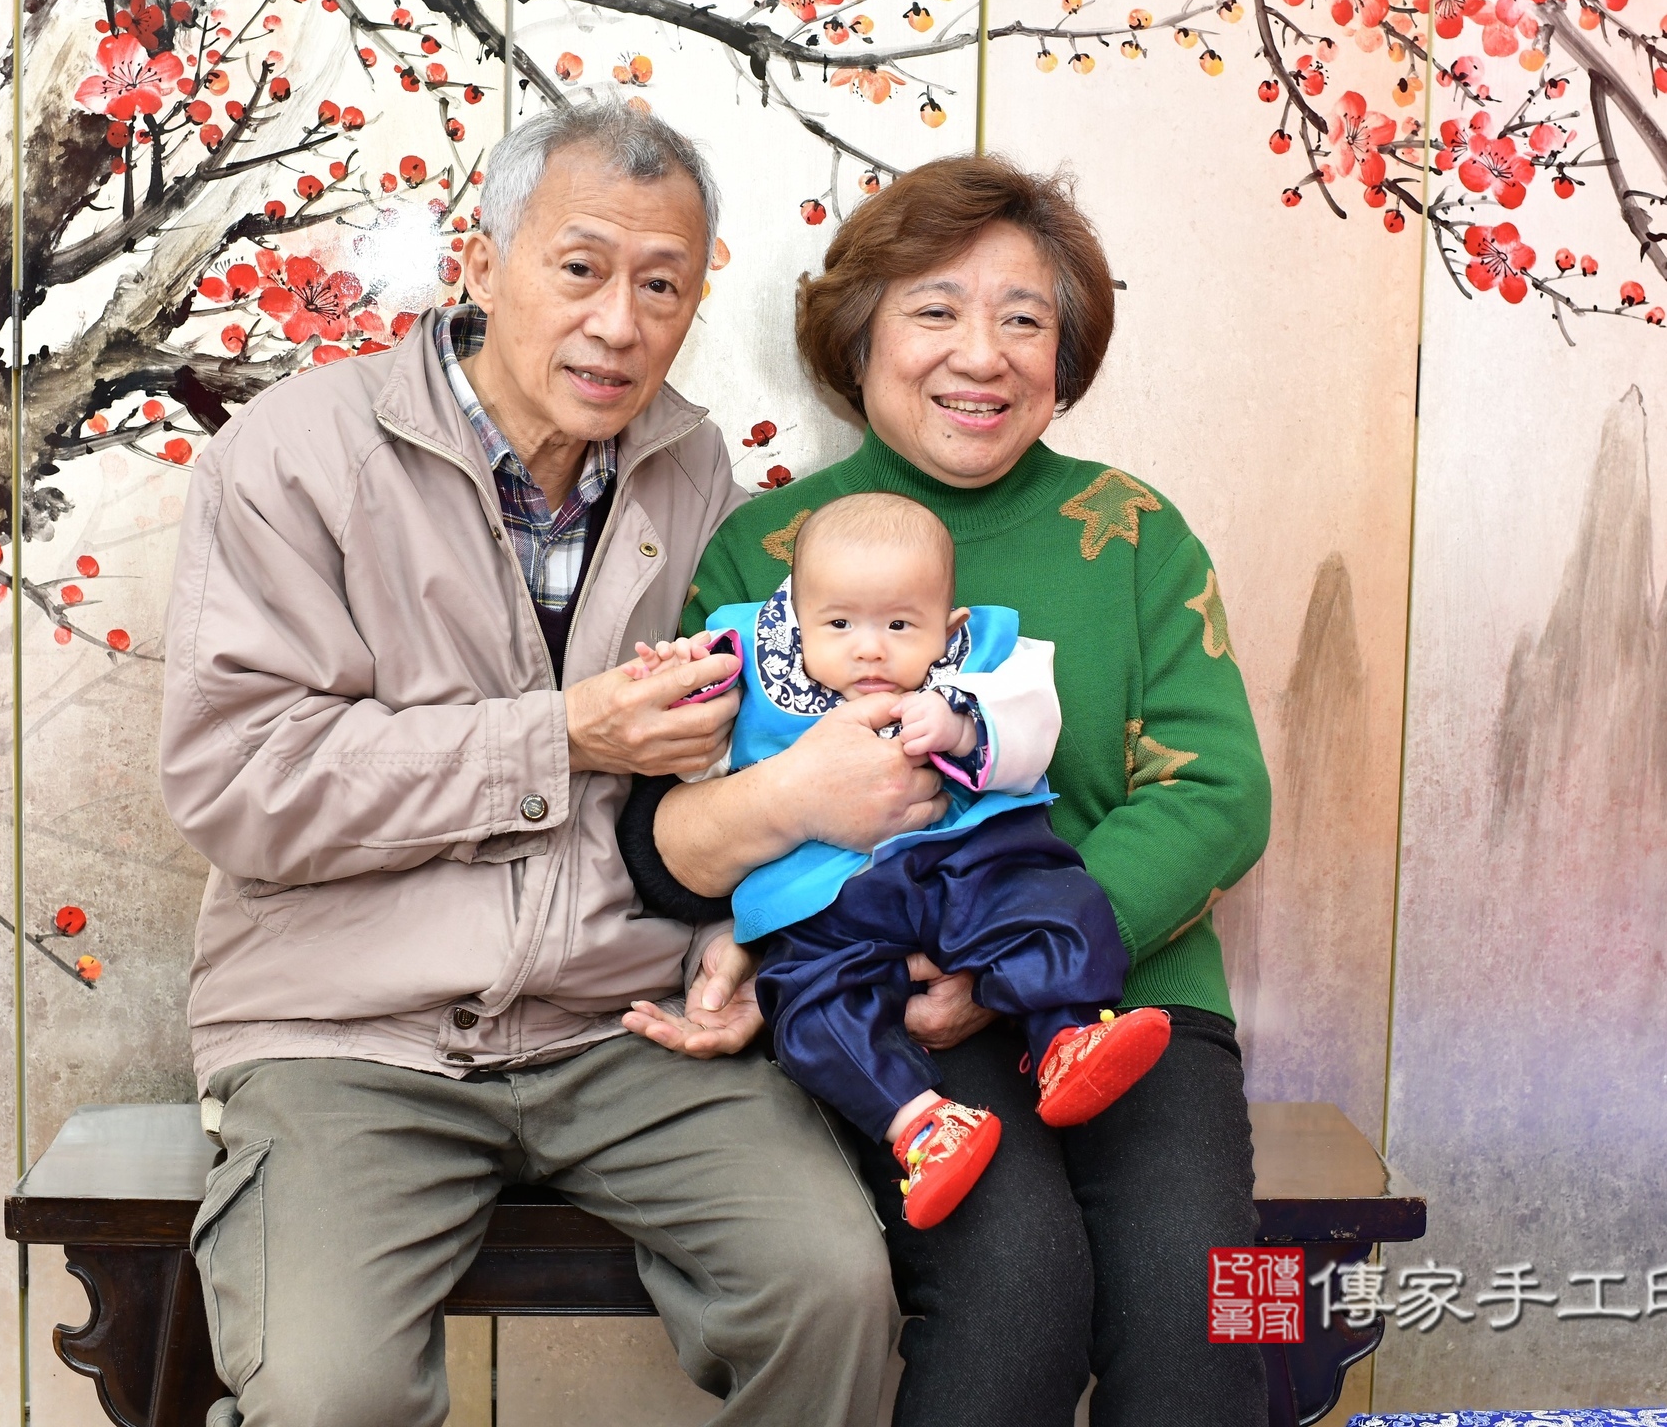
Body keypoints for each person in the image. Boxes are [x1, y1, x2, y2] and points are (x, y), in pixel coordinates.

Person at [158, 99, 895, 1427]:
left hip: (624, 1027)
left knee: (833, 1289)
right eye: (581, 268)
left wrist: (739, 943)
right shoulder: (293, 455)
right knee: (330, 1395)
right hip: (347, 1030)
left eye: (661, 285)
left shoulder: (696, 483)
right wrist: (560, 734)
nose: (619, 322)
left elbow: (744, 769)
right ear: (482, 260)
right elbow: (241, 783)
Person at [618, 155, 1274, 1426]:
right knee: (1016, 1284)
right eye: (935, 310)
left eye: (1024, 319)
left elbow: (1218, 793)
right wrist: (749, 935)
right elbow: (684, 807)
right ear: (860, 335)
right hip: (897, 1009)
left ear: (1063, 356)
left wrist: (1022, 952)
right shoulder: (767, 551)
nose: (983, 354)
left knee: (1214, 1304)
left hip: (1134, 994)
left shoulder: (1134, 530)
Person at [628, 490, 1172, 1231]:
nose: (870, 649)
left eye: (899, 625)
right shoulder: (752, 657)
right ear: (793, 619)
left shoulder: (980, 656)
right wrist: (684, 682)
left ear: (947, 625)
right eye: (839, 624)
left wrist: (960, 725)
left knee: (1054, 899)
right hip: (824, 901)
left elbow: (1033, 727)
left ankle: (1067, 1035)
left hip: (966, 864)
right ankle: (920, 1125)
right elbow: (691, 761)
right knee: (806, 1006)